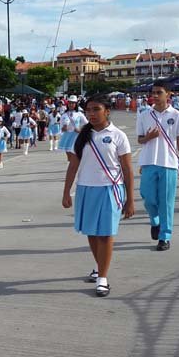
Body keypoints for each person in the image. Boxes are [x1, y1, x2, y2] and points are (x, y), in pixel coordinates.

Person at [62, 94, 134, 297]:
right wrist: (66, 192)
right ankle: (99, 265)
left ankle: (102, 278)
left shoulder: (118, 135)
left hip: (110, 189)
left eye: (96, 109)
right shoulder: (82, 136)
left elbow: (127, 168)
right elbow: (73, 165)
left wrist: (130, 199)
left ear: (107, 111)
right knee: (92, 233)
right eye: (88, 110)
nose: (91, 114)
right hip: (86, 188)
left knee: (105, 234)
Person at [136, 80, 179, 251]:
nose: (155, 96)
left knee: (166, 202)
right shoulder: (144, 115)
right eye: (153, 93)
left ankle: (165, 236)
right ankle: (155, 221)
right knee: (147, 197)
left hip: (169, 163)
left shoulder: (176, 115)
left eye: (159, 92)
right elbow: (140, 139)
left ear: (168, 94)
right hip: (149, 161)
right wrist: (148, 137)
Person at [59, 96, 88, 161]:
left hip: (76, 136)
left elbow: (87, 124)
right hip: (67, 136)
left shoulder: (79, 114)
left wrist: (80, 130)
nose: (71, 105)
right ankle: (72, 166)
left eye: (73, 103)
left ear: (76, 104)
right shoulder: (64, 114)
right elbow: (61, 127)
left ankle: (76, 166)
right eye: (69, 103)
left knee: (75, 155)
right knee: (69, 156)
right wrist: (64, 128)